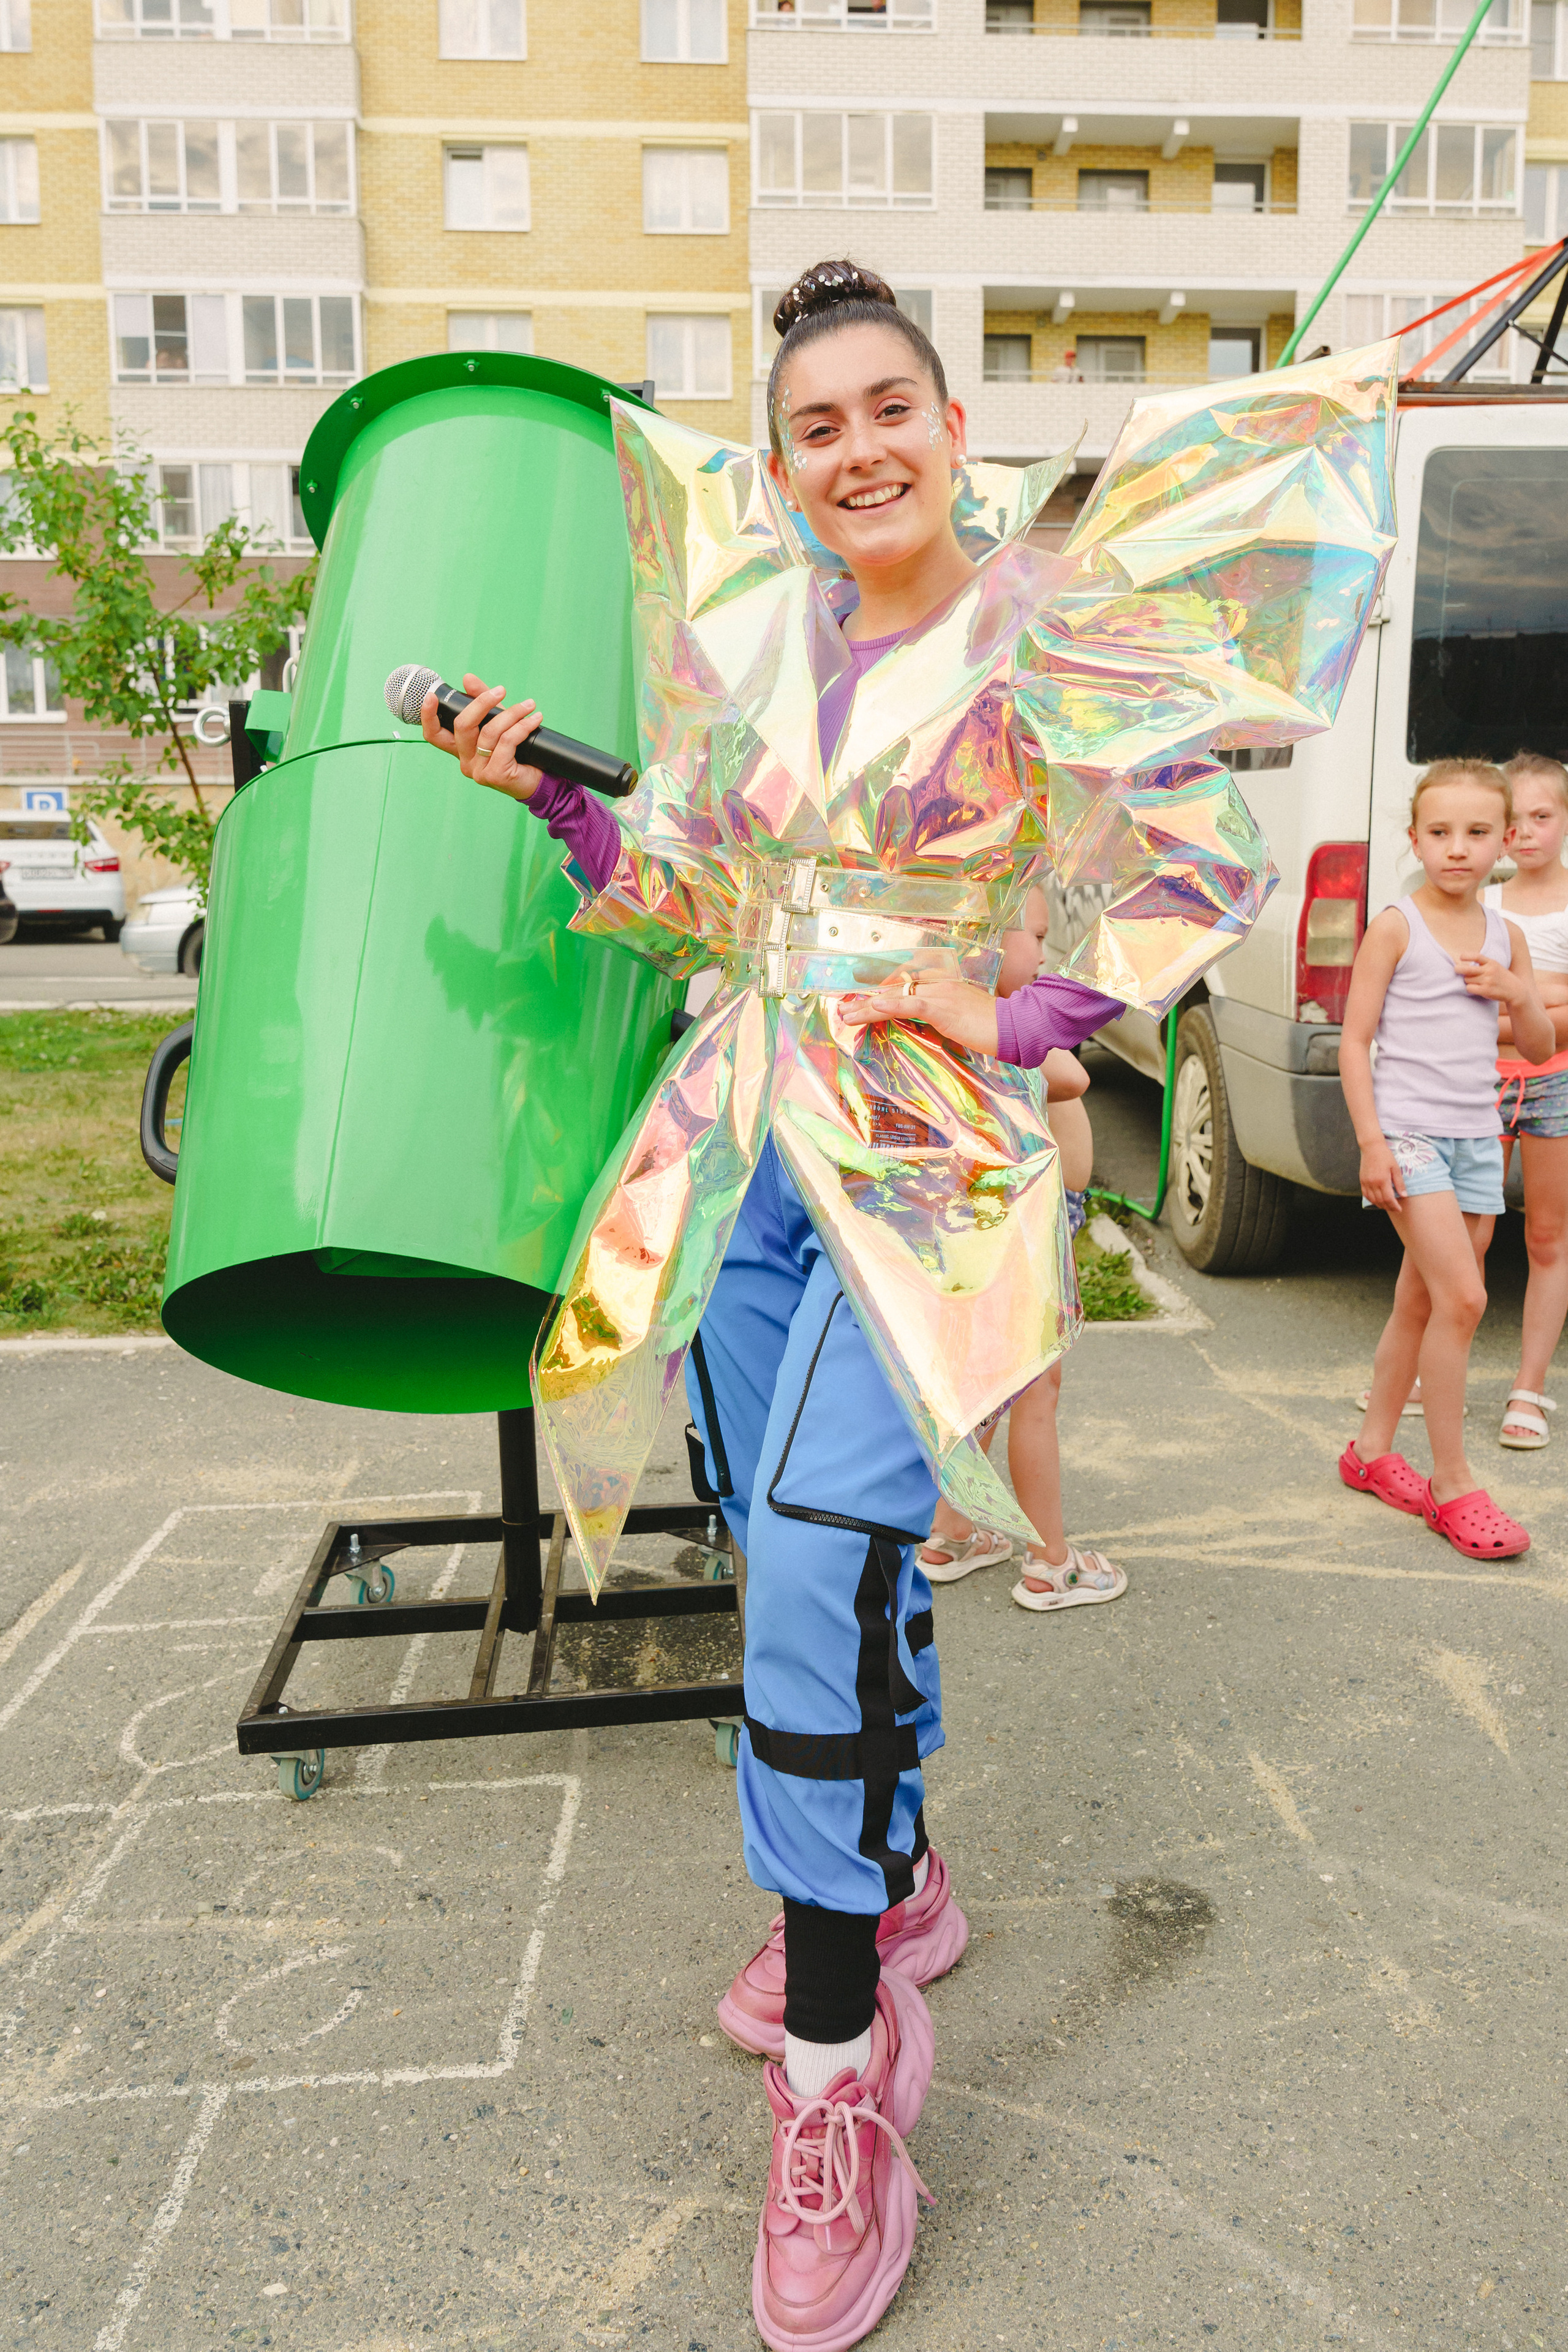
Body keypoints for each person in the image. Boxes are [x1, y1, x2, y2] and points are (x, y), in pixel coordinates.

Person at [423, 262, 1396, 2351]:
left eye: (890, 409)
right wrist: (565, 805)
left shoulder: (1045, 632)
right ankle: (904, 1873)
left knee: (802, 1584)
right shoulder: (761, 645)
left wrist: (1004, 995)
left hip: (932, 1180)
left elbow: (1192, 858)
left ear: (953, 428)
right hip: (753, 1158)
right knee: (797, 1552)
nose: (856, 449)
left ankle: (844, 2077)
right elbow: (709, 889)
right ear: (782, 468)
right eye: (816, 427)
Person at [1338, 758, 1553, 1561]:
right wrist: (1369, 1143)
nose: (1457, 849)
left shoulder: (1510, 937)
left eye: (1476, 833)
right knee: (1464, 1297)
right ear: (1415, 839)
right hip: (1408, 1134)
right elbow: (1355, 1043)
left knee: (1421, 1302)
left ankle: (1368, 1452)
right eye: (1440, 833)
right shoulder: (1397, 925)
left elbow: (1537, 1047)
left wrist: (1518, 993)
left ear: (1504, 840)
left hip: (1476, 1134)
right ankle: (1453, 1482)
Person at [919, 890, 1125, 1610]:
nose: (1046, 955)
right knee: (1037, 1390)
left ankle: (948, 1533)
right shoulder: (992, 1034)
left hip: (984, 1230)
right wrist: (1026, 1016)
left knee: (983, 1390)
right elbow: (1073, 1076)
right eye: (1036, 937)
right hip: (1025, 1230)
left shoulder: (937, 1028)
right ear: (983, 947)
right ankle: (1051, 1562)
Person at [1487, 751, 1568, 1450]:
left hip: (1557, 1083)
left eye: (1542, 817)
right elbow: (1461, 1008)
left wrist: (1513, 1002)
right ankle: (1420, 1372)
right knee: (1459, 1234)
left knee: (1546, 1236)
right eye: (1511, 820)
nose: (1525, 833)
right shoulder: (1480, 904)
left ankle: (1528, 1390)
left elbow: (1544, 1030)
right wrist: (1545, 999)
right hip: (1473, 1079)